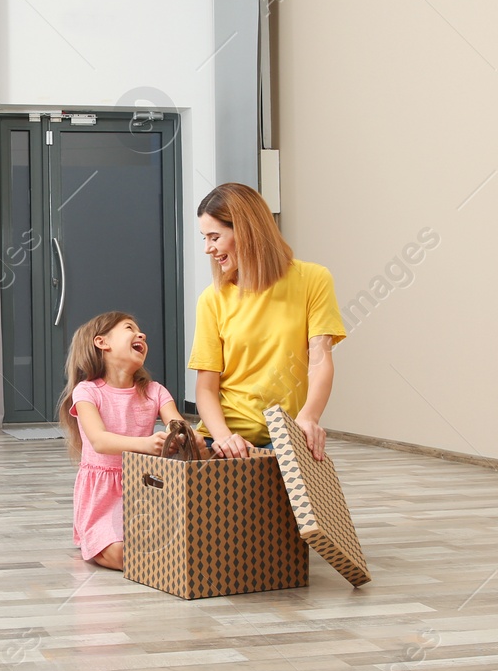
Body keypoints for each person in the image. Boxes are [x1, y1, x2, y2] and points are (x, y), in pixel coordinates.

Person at [190, 182, 347, 462]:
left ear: (247, 230)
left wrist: (309, 417)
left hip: (285, 438)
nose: (207, 249)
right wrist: (224, 437)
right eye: (204, 238)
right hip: (224, 439)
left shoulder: (313, 280)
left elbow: (320, 360)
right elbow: (205, 388)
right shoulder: (212, 299)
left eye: (214, 237)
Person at [57, 311, 191, 571]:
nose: (141, 334)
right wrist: (145, 445)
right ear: (102, 343)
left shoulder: (155, 391)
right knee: (121, 553)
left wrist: (185, 436)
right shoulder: (86, 391)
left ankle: (165, 561)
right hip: (103, 493)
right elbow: (99, 441)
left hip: (145, 486)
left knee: (159, 543)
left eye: (140, 331)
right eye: (130, 328)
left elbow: (176, 422)